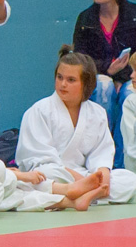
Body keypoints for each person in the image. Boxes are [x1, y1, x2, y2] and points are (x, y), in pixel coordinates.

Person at [0, 75, 92, 212]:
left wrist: (9, 172)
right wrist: (16, 174)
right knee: (10, 179)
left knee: (17, 188)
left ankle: (69, 200)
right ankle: (65, 192)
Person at [16, 49, 136, 205]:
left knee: (129, 180)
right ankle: (86, 192)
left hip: (85, 175)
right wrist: (85, 182)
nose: (63, 84)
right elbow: (38, 160)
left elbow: (101, 153)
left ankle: (84, 193)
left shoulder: (97, 112)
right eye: (60, 77)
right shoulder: (39, 111)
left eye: (71, 80)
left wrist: (102, 175)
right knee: (46, 174)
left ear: (86, 84)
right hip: (54, 174)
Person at [72, 0, 136, 167]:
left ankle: (122, 162)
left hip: (129, 75)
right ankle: (102, 157)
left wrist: (122, 75)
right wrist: (108, 70)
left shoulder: (133, 16)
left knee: (129, 95)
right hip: (99, 74)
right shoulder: (85, 19)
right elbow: (81, 57)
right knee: (103, 88)